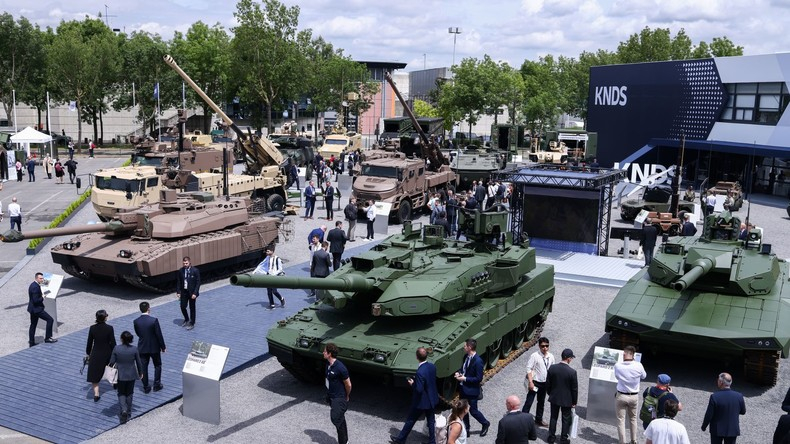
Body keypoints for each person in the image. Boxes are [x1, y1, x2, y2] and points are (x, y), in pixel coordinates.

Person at [391, 347, 440, 444]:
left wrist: (413, 383)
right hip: (431, 399)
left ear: (417, 357)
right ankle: (432, 442)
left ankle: (401, 440)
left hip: (421, 401)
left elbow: (419, 389)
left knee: (411, 420)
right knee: (431, 421)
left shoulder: (420, 372)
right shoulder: (432, 366)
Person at [455, 338, 491, 437]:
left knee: (473, 411)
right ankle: (466, 429)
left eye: (465, 346)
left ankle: (485, 423)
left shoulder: (478, 361)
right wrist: (459, 373)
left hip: (471, 391)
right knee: (463, 410)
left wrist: (464, 378)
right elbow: (463, 369)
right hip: (463, 389)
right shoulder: (466, 357)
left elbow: (478, 378)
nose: (463, 347)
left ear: (469, 347)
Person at [108, 331, 143, 424]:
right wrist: (141, 372)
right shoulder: (134, 349)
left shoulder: (116, 348)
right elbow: (139, 362)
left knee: (121, 393)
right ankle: (129, 412)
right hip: (131, 374)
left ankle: (123, 410)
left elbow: (111, 362)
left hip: (120, 375)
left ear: (122, 339)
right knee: (130, 393)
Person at [701, 372, 745, 444]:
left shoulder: (715, 397)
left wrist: (704, 426)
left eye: (718, 380)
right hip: (732, 430)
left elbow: (709, 414)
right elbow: (743, 411)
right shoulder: (739, 396)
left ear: (721, 382)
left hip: (717, 430)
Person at [614, 345, 646, 444]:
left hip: (621, 396)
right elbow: (644, 376)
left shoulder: (618, 366)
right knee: (633, 419)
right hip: (634, 396)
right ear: (633, 355)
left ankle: (622, 442)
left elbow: (617, 377)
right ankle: (633, 440)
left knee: (621, 420)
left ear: (624, 354)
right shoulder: (638, 365)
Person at [545, 348, 578, 444]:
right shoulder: (572, 372)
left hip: (554, 397)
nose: (571, 360)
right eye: (571, 358)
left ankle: (551, 437)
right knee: (565, 419)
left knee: (553, 417)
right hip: (567, 400)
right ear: (568, 358)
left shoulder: (552, 368)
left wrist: (550, 393)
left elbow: (548, 384)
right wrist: (574, 402)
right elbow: (574, 389)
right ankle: (563, 439)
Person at [133, 302, 166, 394]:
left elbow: (138, 333)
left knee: (143, 367)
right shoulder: (154, 320)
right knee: (157, 365)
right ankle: (157, 385)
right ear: (148, 308)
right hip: (154, 347)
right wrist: (163, 346)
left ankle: (146, 387)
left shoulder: (136, 321)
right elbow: (159, 335)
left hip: (142, 347)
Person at [523, 337, 555, 427]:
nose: (545, 348)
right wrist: (530, 382)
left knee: (541, 402)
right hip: (535, 382)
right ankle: (523, 419)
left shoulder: (551, 356)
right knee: (529, 401)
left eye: (547, 346)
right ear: (539, 346)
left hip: (544, 383)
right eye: (543, 346)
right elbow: (529, 368)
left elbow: (552, 369)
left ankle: (538, 419)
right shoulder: (535, 356)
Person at [323, 343, 351, 444]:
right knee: (340, 419)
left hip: (339, 397)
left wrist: (347, 395)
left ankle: (343, 442)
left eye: (325, 351)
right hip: (331, 395)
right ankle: (344, 441)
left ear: (329, 354)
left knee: (336, 418)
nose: (323, 353)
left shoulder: (340, 368)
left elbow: (348, 384)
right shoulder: (328, 364)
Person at [85, 309, 116, 401]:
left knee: (94, 375)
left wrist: (88, 353)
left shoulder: (92, 328)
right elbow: (113, 342)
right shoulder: (109, 328)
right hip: (107, 353)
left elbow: (89, 343)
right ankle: (114, 383)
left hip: (96, 353)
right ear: (105, 318)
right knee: (112, 369)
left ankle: (96, 394)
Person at [28, 272, 57, 347]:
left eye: (42, 278)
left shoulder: (33, 285)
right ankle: (48, 338)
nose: (42, 279)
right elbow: (36, 300)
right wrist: (43, 297)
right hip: (37, 309)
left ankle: (31, 342)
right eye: (40, 278)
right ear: (36, 278)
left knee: (33, 325)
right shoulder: (35, 287)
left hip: (32, 309)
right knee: (50, 320)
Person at [176, 256, 200, 330]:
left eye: (186, 263)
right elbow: (179, 282)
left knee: (192, 308)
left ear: (189, 262)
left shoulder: (195, 270)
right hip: (184, 292)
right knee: (182, 306)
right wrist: (178, 291)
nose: (185, 264)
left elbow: (198, 282)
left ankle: (192, 322)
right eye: (184, 263)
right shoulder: (181, 271)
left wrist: (195, 293)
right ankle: (186, 319)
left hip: (192, 293)